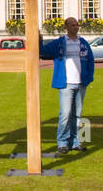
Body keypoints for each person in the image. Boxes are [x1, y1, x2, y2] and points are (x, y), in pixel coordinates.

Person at [39, 17, 94, 157]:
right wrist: (38, 39)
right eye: (72, 25)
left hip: (81, 83)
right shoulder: (59, 43)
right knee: (65, 114)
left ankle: (76, 142)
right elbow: (43, 52)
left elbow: (91, 61)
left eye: (77, 25)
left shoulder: (83, 43)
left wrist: (88, 78)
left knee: (78, 114)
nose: (76, 27)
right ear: (66, 27)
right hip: (66, 83)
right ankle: (62, 143)